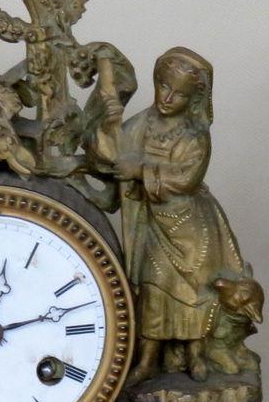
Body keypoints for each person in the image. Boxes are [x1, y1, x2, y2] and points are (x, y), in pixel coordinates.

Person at [92, 47, 245, 382]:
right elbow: (111, 153)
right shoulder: (143, 124)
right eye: (164, 87)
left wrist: (141, 170)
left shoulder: (195, 135)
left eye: (178, 94)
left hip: (188, 225)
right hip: (153, 226)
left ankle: (195, 355)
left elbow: (186, 179)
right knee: (154, 287)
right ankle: (147, 360)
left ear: (191, 99)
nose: (168, 97)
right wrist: (109, 122)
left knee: (194, 289)